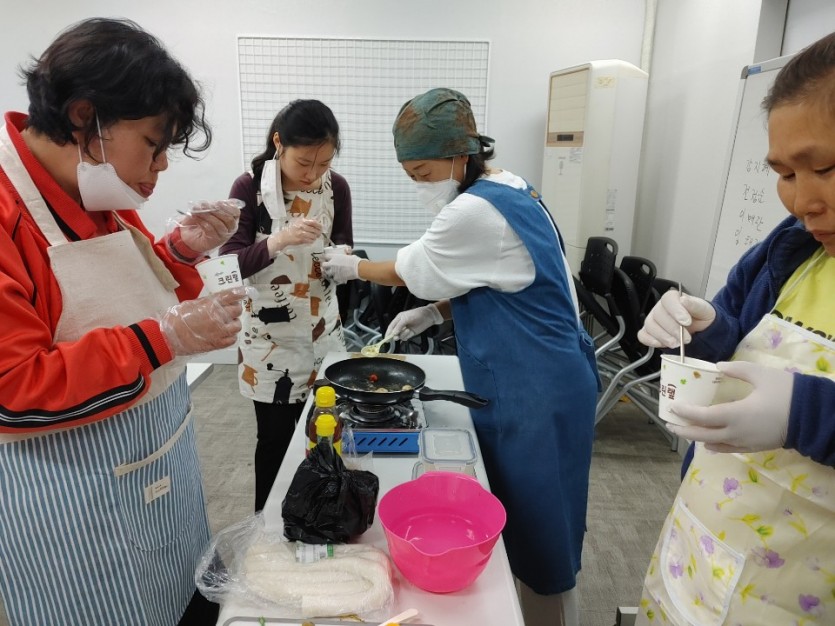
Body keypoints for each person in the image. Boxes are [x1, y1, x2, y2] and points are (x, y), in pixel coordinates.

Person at [0, 18, 247, 626]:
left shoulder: (94, 189)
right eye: (153, 145)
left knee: (186, 596)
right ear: (85, 118)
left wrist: (180, 252)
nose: (160, 168)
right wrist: (162, 338)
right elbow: (13, 389)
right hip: (75, 499)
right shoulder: (9, 212)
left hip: (157, 460)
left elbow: (129, 291)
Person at [322, 87, 600, 626]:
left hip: (537, 388)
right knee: (519, 515)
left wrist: (351, 267)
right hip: (540, 373)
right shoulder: (509, 186)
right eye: (411, 175)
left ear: (459, 154)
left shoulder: (474, 211)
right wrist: (435, 313)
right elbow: (503, 278)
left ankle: (551, 616)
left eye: (424, 173)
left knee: (543, 528)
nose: (420, 185)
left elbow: (410, 269)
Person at [634, 32, 835, 625]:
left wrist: (805, 413)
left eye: (825, 168)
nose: (801, 201)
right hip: (703, 544)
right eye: (785, 173)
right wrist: (704, 328)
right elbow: (732, 352)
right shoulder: (791, 249)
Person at [221, 99, 353, 512]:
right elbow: (229, 266)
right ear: (279, 143)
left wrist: (344, 261)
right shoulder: (248, 188)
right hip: (268, 342)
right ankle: (266, 527)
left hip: (322, 333)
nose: (313, 174)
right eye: (303, 163)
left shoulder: (337, 187)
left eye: (323, 163)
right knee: (275, 442)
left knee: (325, 436)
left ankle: (322, 517)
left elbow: (343, 243)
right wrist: (278, 241)